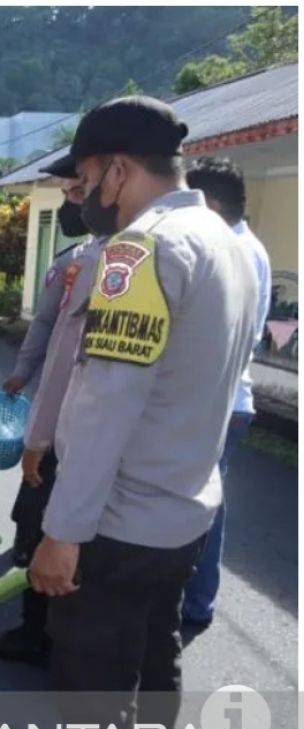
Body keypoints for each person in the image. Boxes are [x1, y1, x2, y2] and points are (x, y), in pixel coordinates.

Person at [28, 97, 258, 729]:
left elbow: (106, 402)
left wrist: (62, 532)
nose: (86, 195)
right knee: (156, 655)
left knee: (97, 681)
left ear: (119, 169)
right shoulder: (231, 243)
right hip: (186, 508)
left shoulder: (141, 250)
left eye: (89, 177)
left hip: (118, 525)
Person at [0, 161, 103, 666]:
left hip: (80, 423)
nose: (72, 202)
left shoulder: (118, 263)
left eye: (78, 191)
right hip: (69, 419)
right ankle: (46, 624)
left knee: (47, 519)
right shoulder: (73, 262)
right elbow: (45, 328)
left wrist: (38, 437)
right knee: (37, 517)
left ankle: (41, 633)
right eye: (69, 193)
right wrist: (21, 372)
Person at [180, 156, 272, 627]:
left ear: (210, 204)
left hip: (216, 402)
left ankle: (194, 603)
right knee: (204, 503)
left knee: (198, 508)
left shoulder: (229, 250)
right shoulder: (245, 246)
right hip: (225, 401)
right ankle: (195, 600)